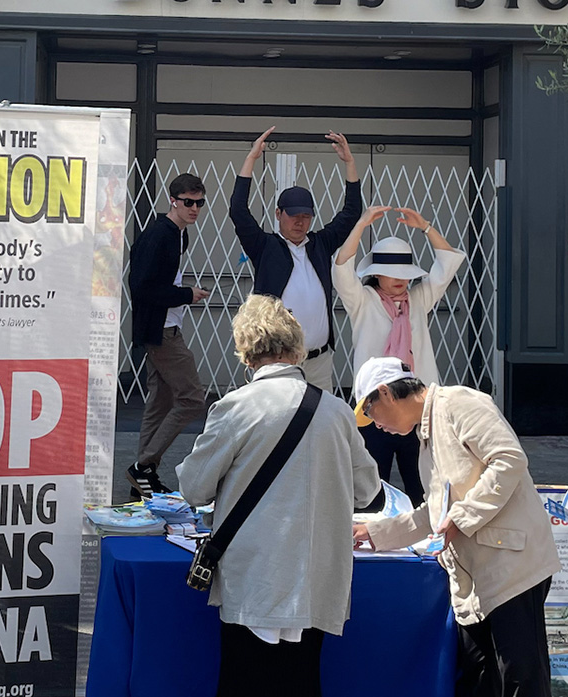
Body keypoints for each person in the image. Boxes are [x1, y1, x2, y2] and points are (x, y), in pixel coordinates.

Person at [176, 295, 381, 697]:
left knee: (245, 691)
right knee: (303, 691)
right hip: (315, 577)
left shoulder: (236, 406)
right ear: (297, 349)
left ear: (247, 354)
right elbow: (368, 490)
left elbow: (193, 485)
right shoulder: (335, 411)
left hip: (254, 578)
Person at [349, 356, 568, 697]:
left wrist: (463, 517)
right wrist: (377, 532)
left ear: (387, 393)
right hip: (478, 574)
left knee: (521, 677)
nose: (376, 425)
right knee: (484, 674)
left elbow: (509, 460)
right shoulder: (427, 436)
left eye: (373, 411)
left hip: (512, 565)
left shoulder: (460, 403)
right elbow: (434, 512)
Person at [332, 205, 465, 506]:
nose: (400, 279)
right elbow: (341, 268)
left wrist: (426, 227)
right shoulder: (363, 301)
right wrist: (361, 224)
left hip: (416, 408)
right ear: (376, 273)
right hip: (375, 408)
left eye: (404, 273)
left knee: (423, 489)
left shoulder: (417, 299)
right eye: (392, 273)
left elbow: (447, 263)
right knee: (370, 492)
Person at [230, 127, 362, 391]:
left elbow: (351, 212)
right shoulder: (265, 246)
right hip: (277, 359)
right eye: (293, 216)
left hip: (319, 359)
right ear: (278, 214)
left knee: (321, 414)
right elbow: (238, 211)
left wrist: (349, 162)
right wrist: (251, 158)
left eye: (306, 216)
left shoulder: (320, 244)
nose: (300, 222)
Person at [126, 172, 212, 498]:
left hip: (164, 326)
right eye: (188, 202)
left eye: (199, 203)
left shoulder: (177, 234)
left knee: (160, 401)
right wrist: (185, 295)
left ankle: (142, 478)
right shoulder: (160, 235)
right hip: (162, 330)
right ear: (173, 201)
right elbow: (142, 287)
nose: (194, 209)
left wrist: (182, 295)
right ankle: (142, 466)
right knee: (191, 398)